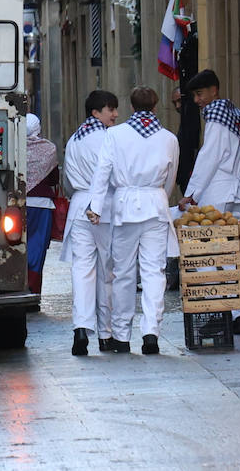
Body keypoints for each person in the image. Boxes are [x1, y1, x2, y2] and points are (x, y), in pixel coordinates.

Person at [86, 86, 179, 355]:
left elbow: (102, 172)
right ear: (155, 106)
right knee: (154, 271)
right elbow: (170, 178)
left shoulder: (115, 134)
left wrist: (96, 207)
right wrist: (159, 196)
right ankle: (151, 332)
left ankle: (121, 334)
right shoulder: (169, 138)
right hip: (156, 205)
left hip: (125, 207)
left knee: (123, 272)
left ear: (131, 106)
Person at [176, 69, 240, 332]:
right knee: (234, 254)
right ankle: (239, 312)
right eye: (194, 96)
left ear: (214, 90)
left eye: (200, 94)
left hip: (219, 192)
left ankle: (220, 311)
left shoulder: (217, 116)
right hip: (239, 192)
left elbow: (209, 156)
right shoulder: (235, 115)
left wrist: (192, 193)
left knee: (210, 254)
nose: (197, 100)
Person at [59, 90, 120, 356]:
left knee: (82, 270)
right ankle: (106, 334)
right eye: (110, 109)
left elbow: (67, 181)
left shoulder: (74, 139)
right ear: (96, 112)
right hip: (103, 207)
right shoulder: (108, 139)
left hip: (79, 207)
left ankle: (81, 328)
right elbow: (114, 176)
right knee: (106, 270)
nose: (115, 114)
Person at [24, 113, 60, 297]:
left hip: (17, 204)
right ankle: (33, 288)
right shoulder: (49, 149)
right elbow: (54, 179)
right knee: (37, 248)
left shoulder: (13, 147)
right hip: (42, 205)